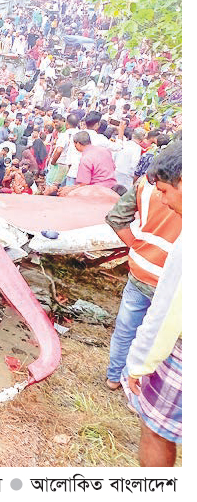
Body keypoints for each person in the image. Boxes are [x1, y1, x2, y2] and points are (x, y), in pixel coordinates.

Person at [103, 140, 182, 391]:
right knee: (158, 334)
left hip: (140, 269)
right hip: (168, 279)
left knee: (126, 329)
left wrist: (136, 246)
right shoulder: (178, 191)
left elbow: (116, 217)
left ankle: (114, 378)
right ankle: (134, 384)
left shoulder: (145, 185)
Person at [122, 142, 182, 466]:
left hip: (143, 271)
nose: (161, 199)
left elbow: (166, 313)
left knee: (156, 428)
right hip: (147, 270)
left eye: (164, 190)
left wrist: (140, 364)